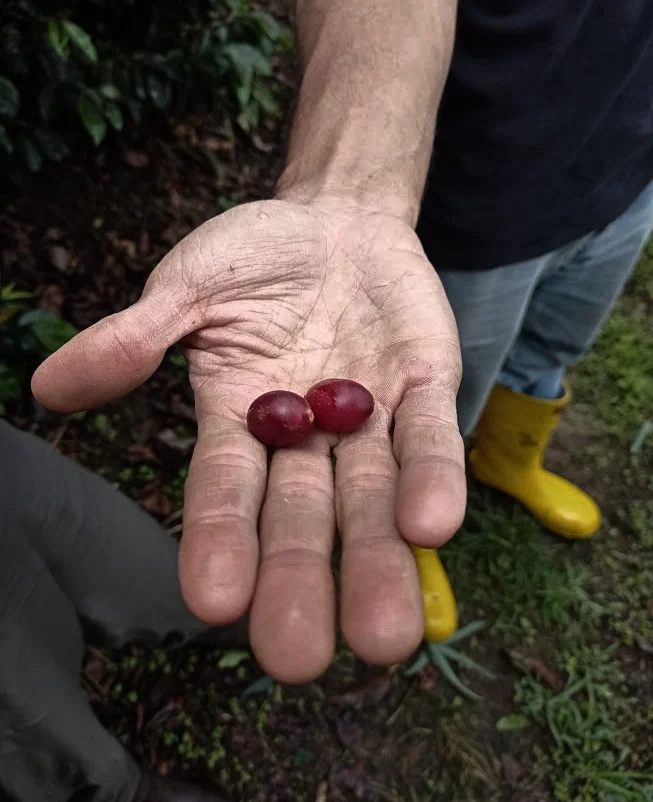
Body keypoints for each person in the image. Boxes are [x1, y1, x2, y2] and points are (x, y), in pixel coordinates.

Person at [2, 0, 652, 799]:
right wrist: (347, 192)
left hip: (626, 170)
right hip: (481, 209)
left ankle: (509, 463)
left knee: (549, 350)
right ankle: (427, 535)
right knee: (448, 397)